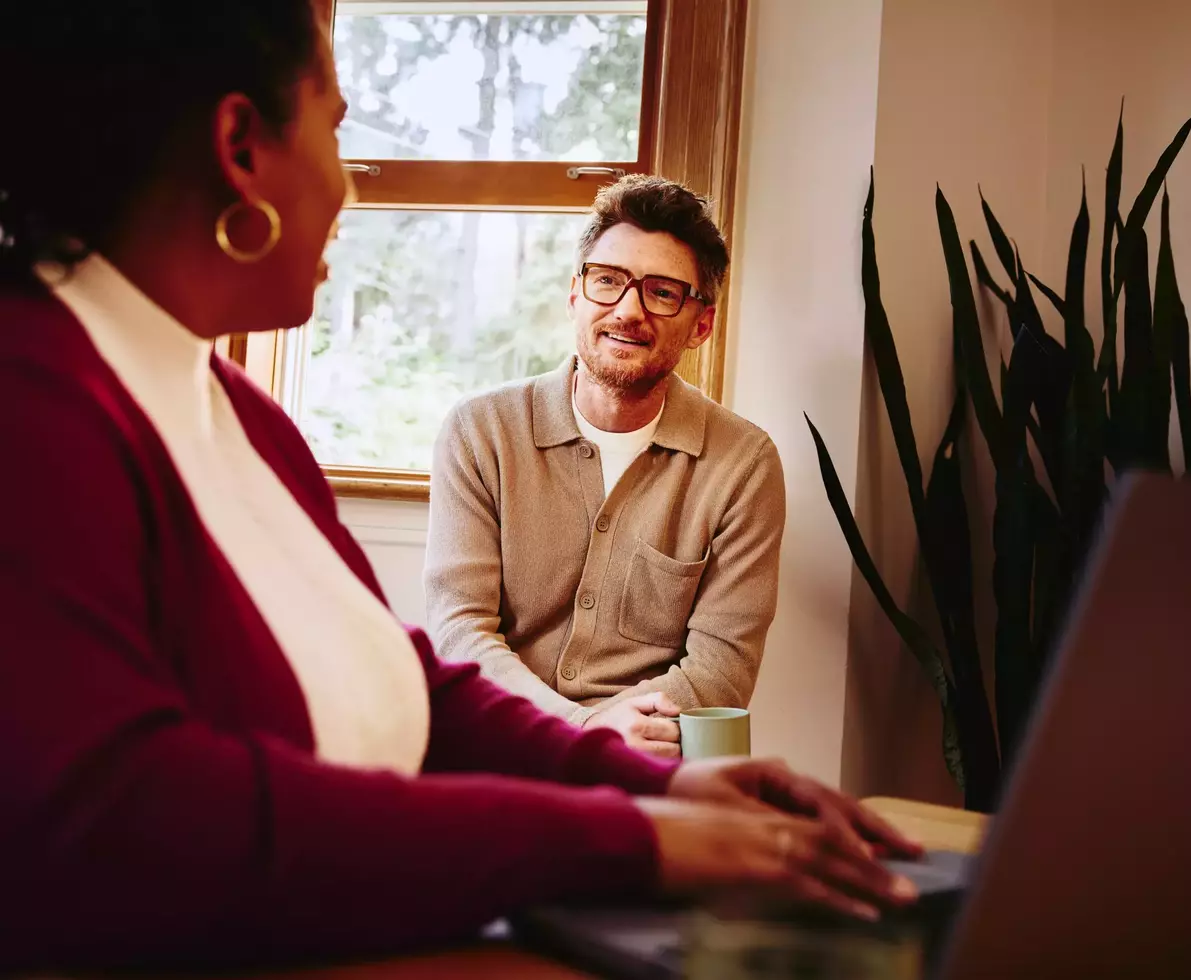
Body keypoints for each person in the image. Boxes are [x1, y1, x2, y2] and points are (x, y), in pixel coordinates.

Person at [0, 2, 920, 971]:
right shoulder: (30, 402)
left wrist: (656, 789)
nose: (349, 185)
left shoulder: (241, 414)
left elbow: (416, 684)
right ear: (240, 145)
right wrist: (628, 837)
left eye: (663, 291)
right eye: (338, 128)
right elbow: (131, 817)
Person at [425, 175, 784, 757]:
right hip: (504, 744)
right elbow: (460, 632)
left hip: (649, 754)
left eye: (662, 292)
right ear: (575, 294)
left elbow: (723, 664)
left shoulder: (744, 463)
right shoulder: (480, 432)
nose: (628, 310)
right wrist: (581, 732)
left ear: (701, 324)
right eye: (608, 281)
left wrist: (618, 739)